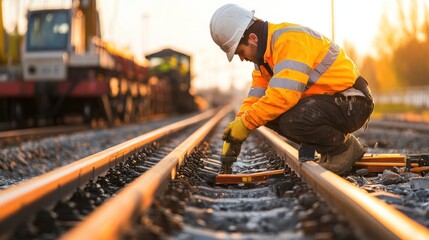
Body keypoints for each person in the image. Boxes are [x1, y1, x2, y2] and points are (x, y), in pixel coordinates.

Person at [210, 3, 374, 175]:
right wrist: (237, 129)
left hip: (353, 102)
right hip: (332, 103)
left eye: (240, 52)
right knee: (265, 114)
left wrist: (245, 125)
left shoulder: (288, 41)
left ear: (253, 38)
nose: (242, 59)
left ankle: (343, 149)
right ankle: (330, 148)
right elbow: (255, 99)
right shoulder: (264, 61)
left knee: (290, 119)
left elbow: (283, 97)